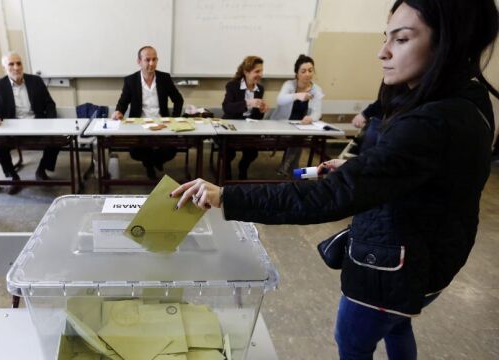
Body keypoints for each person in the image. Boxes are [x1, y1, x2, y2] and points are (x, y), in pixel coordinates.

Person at [171, 0, 497, 358]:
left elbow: (327, 197)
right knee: (399, 321)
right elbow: (418, 172)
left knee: (354, 341)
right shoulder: (469, 98)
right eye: (385, 37)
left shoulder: (430, 122)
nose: (382, 52)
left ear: (449, 42)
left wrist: (226, 197)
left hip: (395, 264)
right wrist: (364, 169)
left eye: (401, 40)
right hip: (432, 257)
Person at [0, 51, 58, 194]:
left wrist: (50, 123)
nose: (16, 67)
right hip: (12, 129)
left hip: (37, 125)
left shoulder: (35, 81)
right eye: (11, 64)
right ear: (4, 68)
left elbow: (50, 104)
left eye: (18, 63)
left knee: (58, 138)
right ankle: (13, 177)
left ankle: (42, 169)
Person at [112, 46, 184, 180]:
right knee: (135, 151)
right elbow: (123, 101)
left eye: (154, 59)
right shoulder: (131, 80)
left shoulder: (164, 78)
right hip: (139, 125)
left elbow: (178, 100)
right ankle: (151, 164)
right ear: (139, 61)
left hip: (162, 124)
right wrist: (118, 111)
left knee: (171, 150)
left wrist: (174, 119)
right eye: (147, 60)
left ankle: (152, 162)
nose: (151, 63)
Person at [271, 54, 324, 176]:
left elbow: (317, 111)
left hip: (301, 126)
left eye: (310, 70)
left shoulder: (316, 90)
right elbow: (280, 100)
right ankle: (292, 169)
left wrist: (311, 118)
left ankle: (288, 169)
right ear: (297, 73)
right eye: (303, 71)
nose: (307, 74)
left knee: (298, 137)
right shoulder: (289, 85)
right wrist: (296, 96)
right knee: (297, 139)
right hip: (281, 124)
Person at [222, 55, 269, 180]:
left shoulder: (260, 89)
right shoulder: (232, 86)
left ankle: (243, 167)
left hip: (249, 128)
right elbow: (227, 108)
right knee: (228, 152)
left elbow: (257, 117)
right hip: (231, 126)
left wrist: (261, 110)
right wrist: (248, 103)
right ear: (246, 72)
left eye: (261, 71)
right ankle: (226, 171)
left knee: (252, 152)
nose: (260, 74)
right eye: (257, 71)